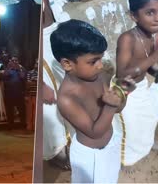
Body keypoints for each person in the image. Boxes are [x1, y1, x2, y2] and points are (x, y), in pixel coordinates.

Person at [51, 19, 135, 183]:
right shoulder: (67, 98)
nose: (100, 66)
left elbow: (117, 108)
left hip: (110, 145)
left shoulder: (98, 77)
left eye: (101, 59)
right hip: (90, 157)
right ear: (67, 64)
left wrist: (123, 91)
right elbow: (95, 132)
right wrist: (110, 106)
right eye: (93, 61)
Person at [113, 0, 158, 168]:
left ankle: (146, 145)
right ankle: (127, 158)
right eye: (150, 13)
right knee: (131, 126)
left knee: (150, 117)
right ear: (134, 16)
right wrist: (157, 55)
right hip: (126, 91)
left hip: (141, 88)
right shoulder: (127, 39)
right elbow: (123, 74)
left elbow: (147, 66)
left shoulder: (153, 37)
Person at [42, 0, 74, 170]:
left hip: (56, 33)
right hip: (42, 44)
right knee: (49, 104)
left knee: (68, 93)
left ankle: (69, 140)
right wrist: (41, 85)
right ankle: (55, 150)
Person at [4, 56, 26, 128]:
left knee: (21, 109)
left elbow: (23, 77)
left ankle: (23, 124)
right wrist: (9, 67)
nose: (14, 62)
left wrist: (19, 69)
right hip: (9, 93)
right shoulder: (8, 69)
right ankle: (10, 125)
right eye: (12, 60)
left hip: (19, 92)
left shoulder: (22, 69)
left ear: (18, 61)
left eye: (15, 60)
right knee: (10, 109)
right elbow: (5, 75)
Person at [25, 58, 38, 131]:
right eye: (36, 63)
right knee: (29, 113)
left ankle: (35, 127)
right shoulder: (30, 72)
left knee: (36, 113)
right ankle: (29, 127)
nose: (37, 65)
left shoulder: (43, 73)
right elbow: (28, 84)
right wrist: (37, 81)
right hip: (30, 95)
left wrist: (34, 81)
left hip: (38, 97)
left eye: (39, 63)